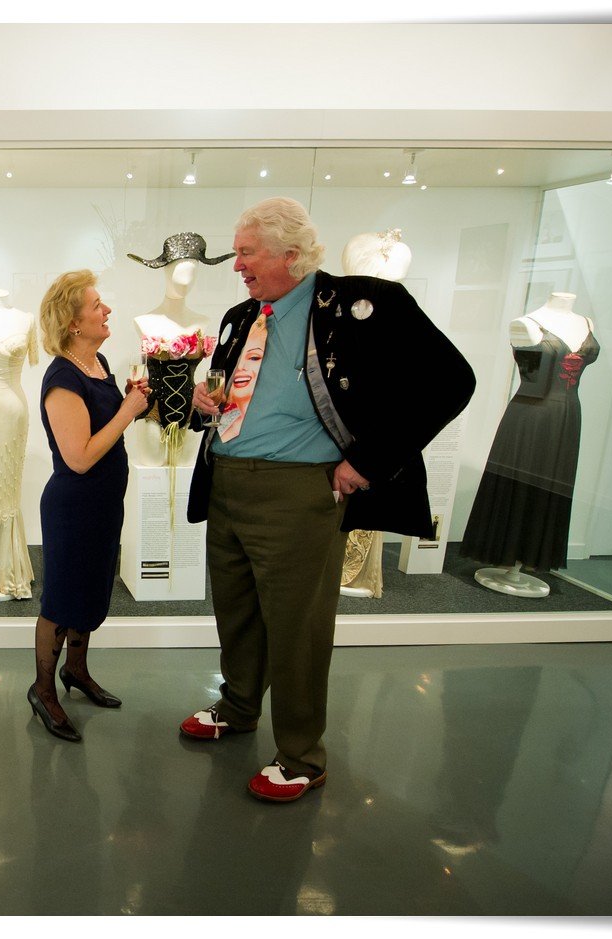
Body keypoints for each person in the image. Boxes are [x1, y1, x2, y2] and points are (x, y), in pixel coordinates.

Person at [185, 198, 474, 801]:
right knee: (235, 611)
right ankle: (238, 707)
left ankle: (300, 755)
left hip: (299, 492)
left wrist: (368, 461)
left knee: (297, 627)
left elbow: (451, 381)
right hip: (229, 481)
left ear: (290, 253)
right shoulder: (242, 316)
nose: (236, 264)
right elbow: (228, 391)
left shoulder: (362, 305)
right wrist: (203, 403)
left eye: (246, 252)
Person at [28, 270, 150, 742]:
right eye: (97, 305)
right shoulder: (62, 377)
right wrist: (127, 412)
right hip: (74, 508)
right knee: (61, 601)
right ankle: (43, 688)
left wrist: (137, 403)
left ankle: (75, 671)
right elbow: (78, 458)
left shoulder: (97, 363)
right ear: (73, 322)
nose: (107, 311)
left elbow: (106, 427)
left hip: (102, 506)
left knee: (91, 593)